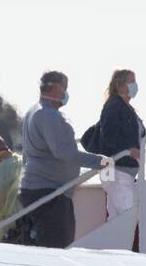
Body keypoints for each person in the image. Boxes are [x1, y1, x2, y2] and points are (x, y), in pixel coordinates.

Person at [15, 70, 109, 247]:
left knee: (51, 242)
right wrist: (100, 161)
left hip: (41, 190)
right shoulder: (47, 114)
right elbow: (63, 152)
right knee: (57, 245)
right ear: (57, 88)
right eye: (65, 88)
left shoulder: (33, 111)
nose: (66, 93)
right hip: (49, 192)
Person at [94, 69, 146, 217]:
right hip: (117, 168)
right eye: (132, 81)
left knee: (116, 215)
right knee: (129, 214)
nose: (135, 85)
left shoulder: (125, 107)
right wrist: (128, 149)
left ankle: (115, 241)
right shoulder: (114, 105)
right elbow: (109, 135)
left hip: (121, 170)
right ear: (120, 85)